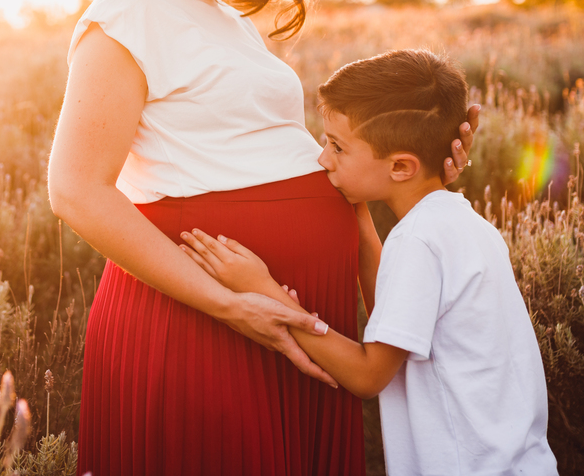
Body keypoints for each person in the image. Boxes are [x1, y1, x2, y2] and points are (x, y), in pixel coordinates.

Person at [46, 0, 477, 476]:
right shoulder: (132, 6)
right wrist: (232, 304)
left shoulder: (224, 17)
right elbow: (76, 190)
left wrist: (417, 188)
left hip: (282, 326)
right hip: (204, 328)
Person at [181, 49, 557, 476]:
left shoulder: (418, 241)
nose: (324, 159)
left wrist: (262, 289)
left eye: (338, 147)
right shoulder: (460, 224)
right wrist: (356, 208)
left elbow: (368, 375)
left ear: (400, 166)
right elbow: (393, 314)